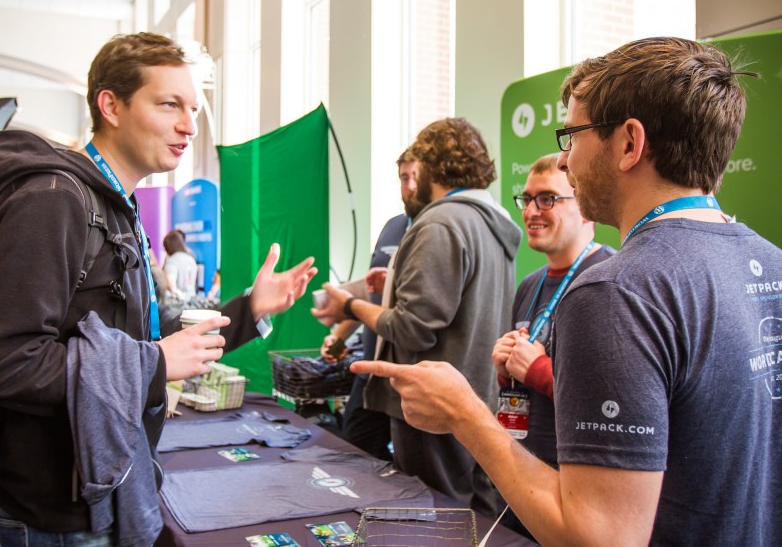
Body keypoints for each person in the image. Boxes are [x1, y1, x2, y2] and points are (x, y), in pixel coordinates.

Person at [352, 36, 780, 546]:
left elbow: (599, 537)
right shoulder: (770, 262)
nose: (568, 159)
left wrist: (465, 415)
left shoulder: (618, 291)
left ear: (628, 143)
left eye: (572, 136)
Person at [0, 32, 316, 546]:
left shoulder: (113, 206)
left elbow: (140, 337)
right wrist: (153, 366)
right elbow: (2, 362)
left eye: (193, 108)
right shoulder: (53, 200)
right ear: (111, 105)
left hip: (104, 489)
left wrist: (248, 310)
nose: (189, 126)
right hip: (59, 511)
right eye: (169, 104)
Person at [314, 117, 522, 516]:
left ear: (434, 166)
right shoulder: (491, 221)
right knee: (474, 513)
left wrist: (350, 306)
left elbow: (413, 329)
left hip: (432, 402)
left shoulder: (441, 221)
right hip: (476, 395)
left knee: (433, 515)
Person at [492, 153, 615, 539]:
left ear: (586, 207)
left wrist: (539, 371)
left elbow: (616, 401)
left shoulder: (609, 282)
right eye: (527, 199)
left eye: (547, 198)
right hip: (523, 474)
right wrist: (506, 368)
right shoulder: (530, 284)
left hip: (575, 490)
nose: (531, 211)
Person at [317, 148, 419, 460]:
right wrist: (339, 336)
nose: (410, 185)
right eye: (404, 177)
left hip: (410, 369)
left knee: (410, 464)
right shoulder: (391, 226)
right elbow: (370, 297)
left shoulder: (435, 231)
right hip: (372, 366)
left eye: (417, 176)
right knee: (355, 445)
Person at [163, 229, 198, 300]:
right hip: (192, 301)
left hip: (178, 304)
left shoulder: (172, 261)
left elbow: (172, 287)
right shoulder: (191, 259)